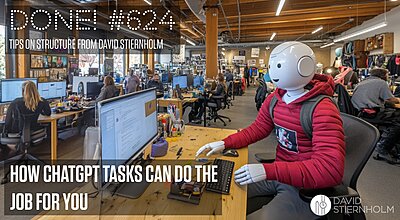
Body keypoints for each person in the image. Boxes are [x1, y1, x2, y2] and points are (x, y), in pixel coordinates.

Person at [196, 42, 345, 219]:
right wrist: (225, 143)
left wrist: (268, 170)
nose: (274, 72)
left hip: (305, 187)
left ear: (304, 66)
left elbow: (329, 170)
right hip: (278, 174)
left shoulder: (322, 108)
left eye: (279, 66)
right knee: (221, 186)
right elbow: (257, 129)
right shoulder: (276, 98)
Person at [351, 68, 400, 163]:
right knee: (397, 123)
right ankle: (383, 147)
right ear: (382, 75)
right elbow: (390, 99)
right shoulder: (381, 83)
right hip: (372, 113)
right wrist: (397, 100)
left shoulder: (362, 82)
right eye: (386, 75)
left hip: (361, 112)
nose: (387, 77)